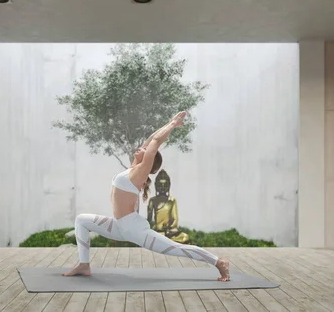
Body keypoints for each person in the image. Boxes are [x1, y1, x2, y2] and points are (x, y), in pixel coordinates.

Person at [63, 111, 230, 281]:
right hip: (119, 225)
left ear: (148, 160)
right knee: (81, 220)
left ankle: (219, 262)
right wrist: (168, 123)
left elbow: (156, 142)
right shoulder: (134, 167)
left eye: (145, 149)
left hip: (135, 230)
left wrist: (173, 124)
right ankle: (84, 265)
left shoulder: (140, 172)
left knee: (177, 248)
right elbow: (152, 138)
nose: (142, 147)